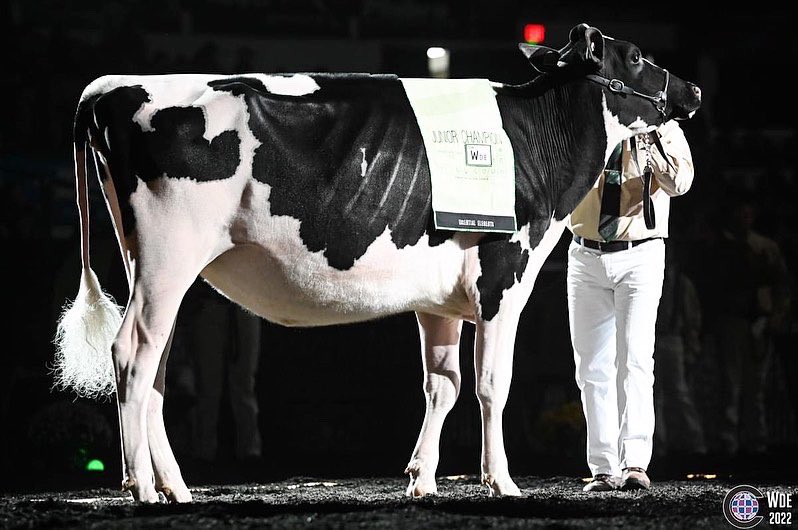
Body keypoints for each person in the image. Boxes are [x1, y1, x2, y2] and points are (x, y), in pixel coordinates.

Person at [567, 120, 694, 491]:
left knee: (635, 358)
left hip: (640, 253)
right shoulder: (591, 121)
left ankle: (635, 463)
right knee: (591, 366)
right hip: (585, 254)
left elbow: (680, 184)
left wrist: (649, 140)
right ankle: (604, 468)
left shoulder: (666, 131)